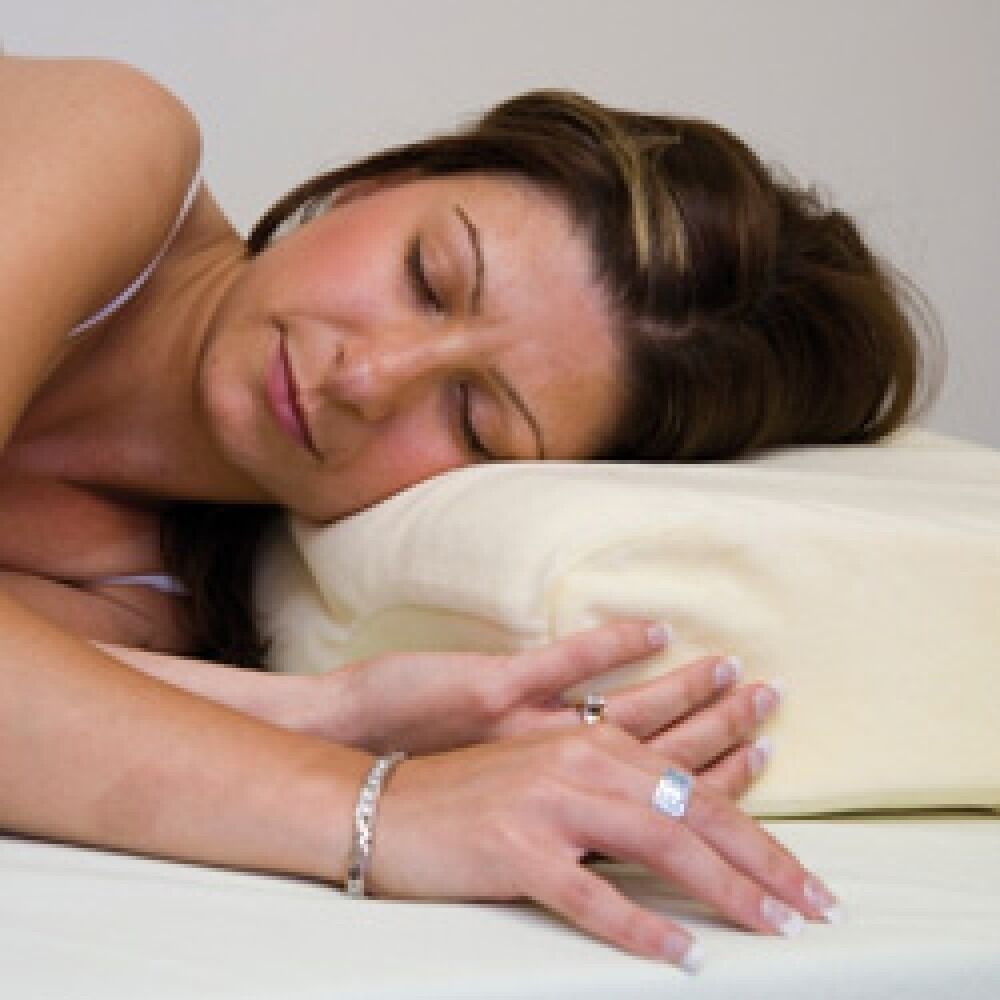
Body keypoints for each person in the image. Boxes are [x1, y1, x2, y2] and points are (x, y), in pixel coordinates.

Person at [0, 55, 940, 971]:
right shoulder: (112, 141)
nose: (367, 378)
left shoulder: (148, 607)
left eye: (473, 420)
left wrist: (333, 712)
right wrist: (389, 808)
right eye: (428, 275)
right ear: (381, 185)